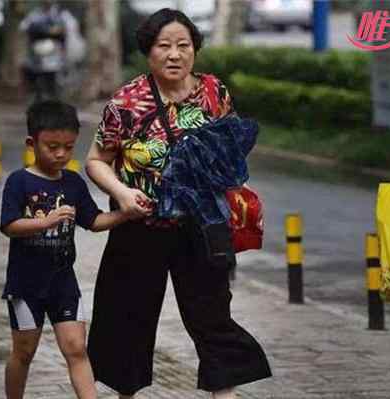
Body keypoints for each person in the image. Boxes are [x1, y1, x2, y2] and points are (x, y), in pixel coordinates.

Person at [85, 8, 272, 399]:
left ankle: (226, 393)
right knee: (127, 319)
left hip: (200, 227)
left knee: (212, 317)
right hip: (139, 226)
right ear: (148, 52)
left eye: (183, 45)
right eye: (164, 46)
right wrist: (121, 194)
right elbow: (96, 161)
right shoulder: (126, 102)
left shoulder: (213, 92)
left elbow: (230, 146)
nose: (174, 54)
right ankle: (125, 394)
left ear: (195, 51)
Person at [0, 100, 131, 399]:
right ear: (32, 143)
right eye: (52, 146)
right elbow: (9, 226)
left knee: (76, 348)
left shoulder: (73, 183)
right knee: (24, 352)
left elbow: (94, 220)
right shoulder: (19, 182)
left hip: (63, 282)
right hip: (26, 284)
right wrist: (45, 222)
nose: (60, 154)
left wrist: (126, 213)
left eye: (68, 147)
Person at [19, 0, 67, 101]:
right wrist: (47, 30)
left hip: (53, 53)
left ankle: (53, 103)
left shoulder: (60, 14)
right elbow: (24, 27)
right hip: (36, 53)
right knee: (36, 81)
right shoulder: (34, 14)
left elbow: (63, 32)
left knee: (52, 81)